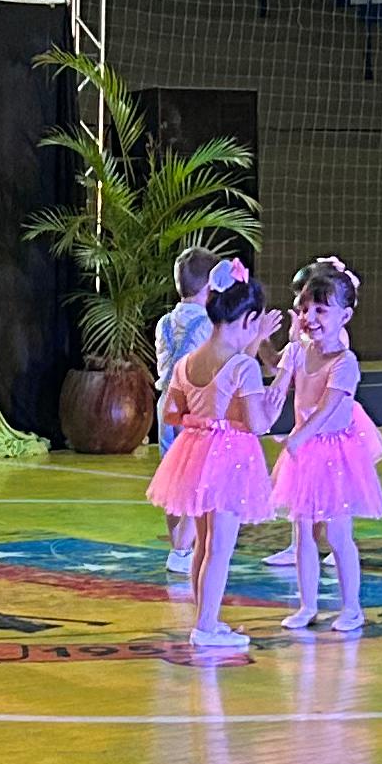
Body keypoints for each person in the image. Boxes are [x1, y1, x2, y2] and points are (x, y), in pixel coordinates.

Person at [147, 266, 280, 663]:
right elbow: (257, 424)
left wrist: (203, 419)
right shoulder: (243, 366)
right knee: (219, 548)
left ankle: (206, 620)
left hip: (194, 452)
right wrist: (274, 400)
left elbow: (171, 413)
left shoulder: (188, 362)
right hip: (229, 459)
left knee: (204, 544)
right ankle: (205, 627)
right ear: (249, 319)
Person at [271, 257, 382, 636]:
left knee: (337, 535)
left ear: (345, 316)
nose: (310, 317)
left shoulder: (345, 362)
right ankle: (307, 605)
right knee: (303, 533)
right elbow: (277, 379)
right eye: (305, 309)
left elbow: (327, 408)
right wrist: (261, 344)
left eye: (321, 310)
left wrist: (298, 437)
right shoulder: (297, 351)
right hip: (305, 454)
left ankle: (352, 607)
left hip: (335, 454)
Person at [153, 242, 223, 581]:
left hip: (166, 404)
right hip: (194, 407)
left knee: (173, 477)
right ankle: (182, 549)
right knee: (200, 478)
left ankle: (178, 548)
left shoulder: (165, 322)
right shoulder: (209, 324)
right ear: (210, 286)